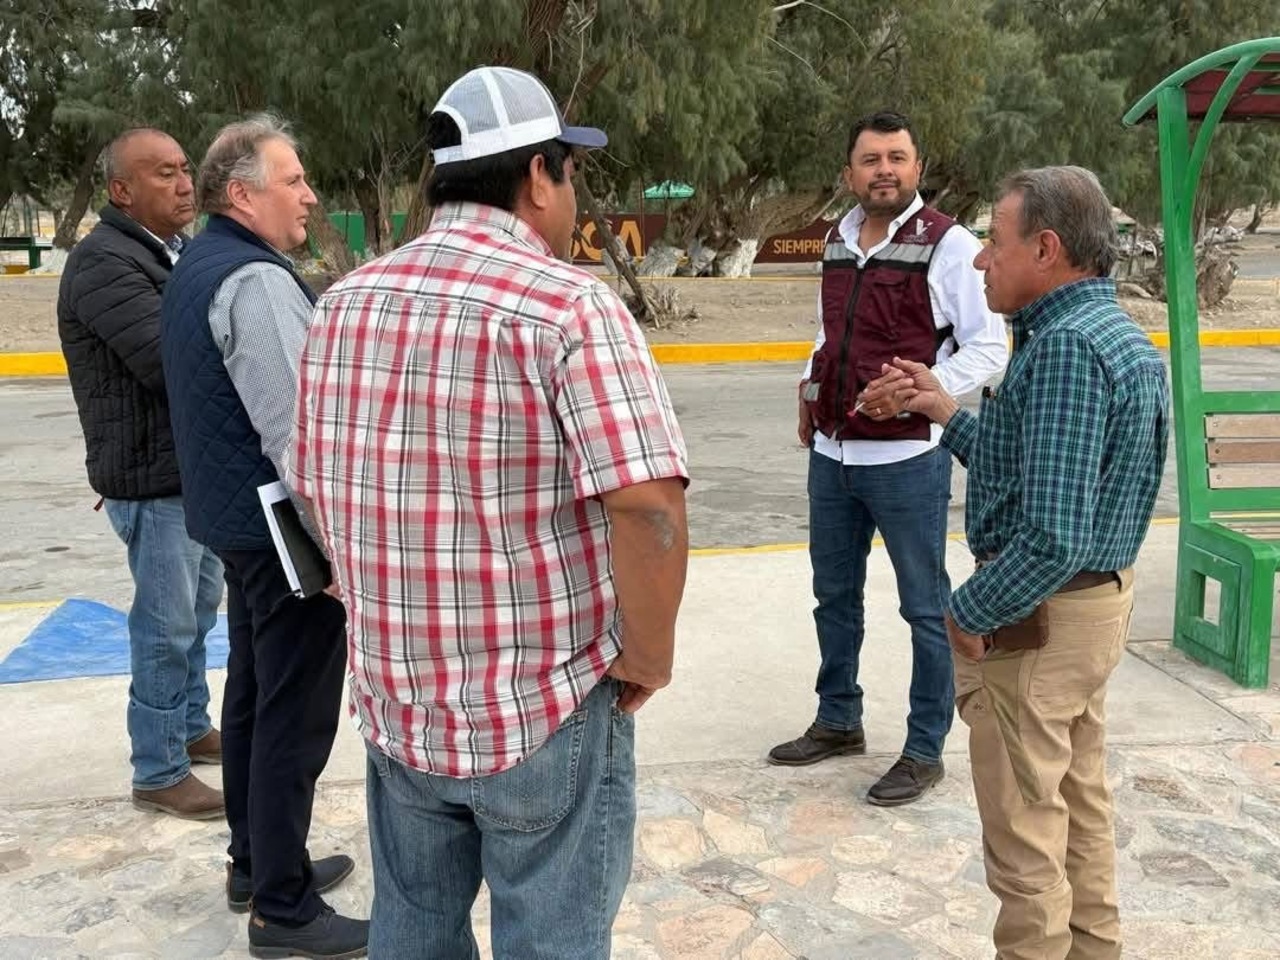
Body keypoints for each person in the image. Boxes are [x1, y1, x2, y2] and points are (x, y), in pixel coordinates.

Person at [287, 66, 690, 959]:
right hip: (540, 707)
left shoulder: (343, 304)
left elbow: (311, 486)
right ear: (539, 175)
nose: (571, 195)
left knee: (413, 932)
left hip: (401, 709)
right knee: (552, 942)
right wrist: (648, 655)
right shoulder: (568, 306)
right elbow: (648, 505)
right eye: (570, 172)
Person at [883, 166, 1169, 959]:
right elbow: (1036, 474)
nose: (981, 260)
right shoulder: (1108, 334)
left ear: (1046, 249)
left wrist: (965, 614)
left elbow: (1052, 536)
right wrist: (944, 410)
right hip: (1091, 613)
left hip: (1042, 625)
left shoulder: (1068, 350)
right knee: (1078, 810)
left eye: (995, 242)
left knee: (1024, 843)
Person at [159, 115, 366, 959]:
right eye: (294, 180)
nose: (310, 195)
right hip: (284, 538)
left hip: (237, 527)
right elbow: (297, 436)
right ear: (243, 194)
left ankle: (257, 863)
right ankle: (283, 908)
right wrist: (337, 550)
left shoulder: (199, 263)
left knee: (251, 696)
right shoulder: (254, 281)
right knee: (293, 715)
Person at [768, 111, 1008, 806]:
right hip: (832, 453)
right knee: (833, 597)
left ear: (917, 168)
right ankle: (839, 719)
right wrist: (809, 388)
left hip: (907, 459)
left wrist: (924, 390)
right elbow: (829, 332)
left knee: (925, 608)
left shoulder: (950, 244)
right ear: (849, 173)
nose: (884, 171)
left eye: (897, 158)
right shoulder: (838, 239)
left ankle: (925, 748)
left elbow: (989, 346)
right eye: (871, 159)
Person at [57, 128, 225, 820]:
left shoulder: (169, 251)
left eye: (185, 169)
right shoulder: (104, 262)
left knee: (198, 614)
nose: (185, 184)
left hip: (190, 475)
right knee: (164, 627)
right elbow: (169, 361)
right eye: (164, 174)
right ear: (121, 190)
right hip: (151, 482)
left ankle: (189, 726)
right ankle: (157, 768)